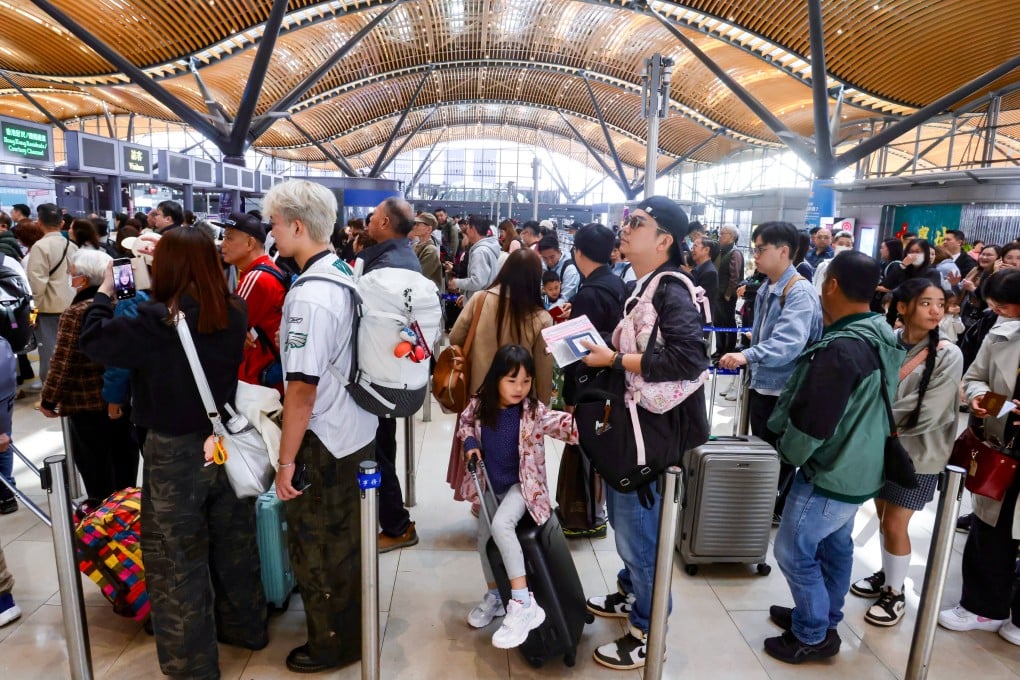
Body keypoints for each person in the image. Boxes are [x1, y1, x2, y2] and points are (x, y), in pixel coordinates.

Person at [80, 228, 267, 679]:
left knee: (173, 558)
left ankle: (192, 664)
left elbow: (96, 340)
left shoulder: (154, 319)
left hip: (172, 451)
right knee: (234, 541)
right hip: (222, 441)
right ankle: (247, 628)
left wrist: (106, 291)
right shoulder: (234, 311)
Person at [580, 196, 709, 670]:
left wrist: (613, 359)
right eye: (626, 222)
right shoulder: (645, 285)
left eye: (637, 223)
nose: (626, 229)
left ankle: (648, 630)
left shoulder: (670, 288)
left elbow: (689, 359)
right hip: (638, 426)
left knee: (639, 532)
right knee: (627, 521)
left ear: (664, 240)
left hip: (652, 437)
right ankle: (632, 591)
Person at [764, 251, 904, 663]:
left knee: (793, 550)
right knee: (835, 546)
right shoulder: (879, 331)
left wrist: (786, 454)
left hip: (830, 471)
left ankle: (811, 633)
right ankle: (823, 615)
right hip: (862, 465)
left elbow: (812, 425)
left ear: (832, 285)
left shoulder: (840, 349)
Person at [263, 180, 378, 672]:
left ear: (296, 225)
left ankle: (331, 643)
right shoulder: (344, 272)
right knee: (346, 539)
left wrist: (286, 461)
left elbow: (302, 391)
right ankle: (349, 628)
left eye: (274, 224)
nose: (272, 233)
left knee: (317, 543)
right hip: (356, 428)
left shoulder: (310, 296)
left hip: (324, 441)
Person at [849, 279, 963, 626]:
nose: (935, 311)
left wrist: (868, 418)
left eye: (940, 304)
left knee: (897, 523)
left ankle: (895, 593)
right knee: (883, 517)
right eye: (926, 303)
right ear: (902, 307)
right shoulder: (888, 341)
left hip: (919, 454)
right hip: (882, 446)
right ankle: (888, 574)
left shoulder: (948, 353)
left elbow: (928, 411)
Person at [458, 344, 578, 648]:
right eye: (511, 380)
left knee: (501, 527)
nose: (519, 388)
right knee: (485, 541)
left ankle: (524, 603)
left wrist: (591, 418)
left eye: (525, 381)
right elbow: (465, 422)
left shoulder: (534, 412)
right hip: (489, 484)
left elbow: (566, 427)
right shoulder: (480, 405)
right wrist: (470, 440)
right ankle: (497, 595)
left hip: (523, 486)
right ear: (496, 378)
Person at [719, 222, 823, 521]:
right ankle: (761, 506)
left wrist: (746, 354)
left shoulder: (799, 291)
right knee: (764, 451)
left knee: (779, 457)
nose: (756, 257)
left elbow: (788, 345)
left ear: (784, 251)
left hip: (785, 390)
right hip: (764, 384)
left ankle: (771, 510)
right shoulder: (769, 287)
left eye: (761, 250)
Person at [939, 269, 1020, 646]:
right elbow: (974, 378)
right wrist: (984, 400)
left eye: (1004, 305)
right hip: (1001, 448)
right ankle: (984, 606)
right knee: (990, 530)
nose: (997, 310)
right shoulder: (1001, 332)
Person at [446, 249, 554, 503]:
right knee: (512, 456)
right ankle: (507, 503)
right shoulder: (541, 318)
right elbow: (543, 368)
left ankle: (480, 501)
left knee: (478, 449)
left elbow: (454, 338)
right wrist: (542, 404)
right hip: (516, 403)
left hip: (478, 396)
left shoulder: (481, 299)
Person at [40, 249, 140, 501]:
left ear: (83, 280)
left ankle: (101, 521)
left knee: (97, 469)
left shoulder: (77, 312)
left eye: (71, 274)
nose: (68, 277)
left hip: (87, 404)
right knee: (124, 462)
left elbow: (63, 361)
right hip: (125, 400)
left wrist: (48, 400)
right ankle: (127, 515)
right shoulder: (127, 303)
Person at [558, 223, 626, 538]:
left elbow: (575, 355)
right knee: (598, 447)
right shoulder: (617, 284)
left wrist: (569, 397)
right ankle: (595, 510)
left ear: (578, 253)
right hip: (612, 381)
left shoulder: (589, 293)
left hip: (589, 386)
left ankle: (586, 516)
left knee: (584, 448)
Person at [216, 212, 285, 394]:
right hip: (267, 381)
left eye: (229, 238)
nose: (223, 244)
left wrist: (234, 331)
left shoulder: (256, 278)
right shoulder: (268, 270)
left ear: (250, 243)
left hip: (257, 385)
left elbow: (225, 331)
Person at [26, 204, 78, 390]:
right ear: (62, 223)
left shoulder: (39, 247)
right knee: (71, 349)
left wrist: (33, 314)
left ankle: (52, 391)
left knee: (50, 351)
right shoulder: (71, 245)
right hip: (72, 306)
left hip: (49, 308)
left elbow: (37, 285)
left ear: (39, 223)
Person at [446, 215, 500, 301]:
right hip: (482, 298)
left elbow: (477, 282)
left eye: (467, 228)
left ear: (473, 229)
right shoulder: (488, 247)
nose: (466, 231)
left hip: (479, 302)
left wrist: (457, 282)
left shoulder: (480, 252)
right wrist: (466, 297)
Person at [714, 225, 745, 356]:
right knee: (718, 323)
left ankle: (729, 349)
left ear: (731, 236)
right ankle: (720, 349)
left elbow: (735, 277)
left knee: (728, 322)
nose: (719, 236)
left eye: (723, 234)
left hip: (726, 296)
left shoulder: (734, 253)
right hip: (717, 294)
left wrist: (727, 295)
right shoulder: (721, 251)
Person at [959, 244, 1001, 327]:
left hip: (982, 317)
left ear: (998, 259)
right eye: (982, 254)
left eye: (989, 255)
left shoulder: (998, 275)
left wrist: (973, 289)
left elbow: (990, 296)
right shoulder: (976, 270)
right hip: (965, 312)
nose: (984, 257)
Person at [537, 235, 580, 302]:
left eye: (552, 257)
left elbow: (565, 299)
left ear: (559, 252)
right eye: (545, 258)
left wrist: (548, 312)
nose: (549, 262)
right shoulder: (542, 265)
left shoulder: (570, 271)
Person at [812, 230, 853, 295]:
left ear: (851, 248)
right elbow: (816, 289)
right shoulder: (823, 266)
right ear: (834, 245)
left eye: (848, 245)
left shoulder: (854, 269)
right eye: (841, 244)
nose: (844, 247)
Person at [689, 236, 719, 324]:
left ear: (706, 250)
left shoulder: (710, 272)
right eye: (692, 247)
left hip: (700, 319)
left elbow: (701, 299)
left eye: (695, 246)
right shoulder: (699, 268)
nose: (692, 250)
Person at [410, 212, 443, 290]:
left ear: (429, 229)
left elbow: (420, 275)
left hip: (426, 295)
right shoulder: (415, 245)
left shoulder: (431, 250)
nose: (414, 227)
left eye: (418, 224)